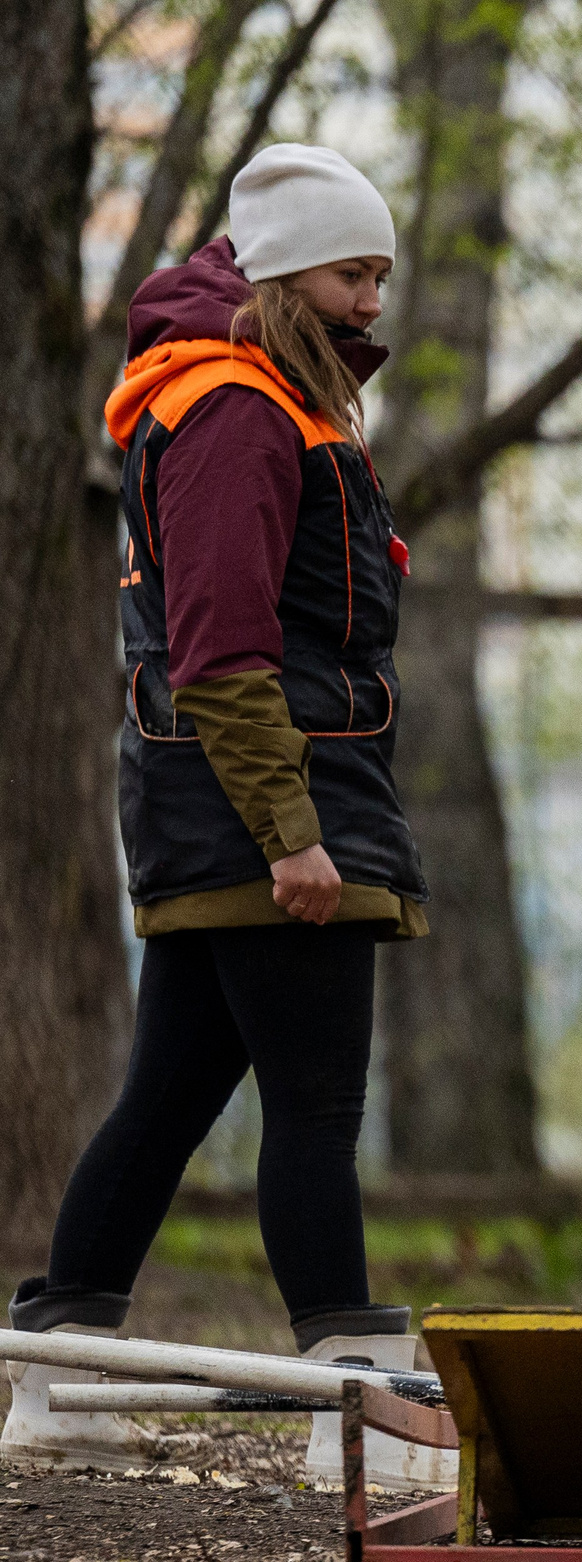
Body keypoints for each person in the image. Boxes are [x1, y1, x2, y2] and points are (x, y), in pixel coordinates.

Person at [4, 145, 430, 1469]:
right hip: (270, 813)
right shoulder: (240, 411)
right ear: (293, 273)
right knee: (315, 1109)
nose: (374, 302)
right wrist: (293, 833)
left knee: (168, 1099)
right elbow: (224, 649)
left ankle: (59, 1374)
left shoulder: (257, 404)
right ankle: (359, 1390)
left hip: (235, 812)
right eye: (356, 273)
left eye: (381, 275)